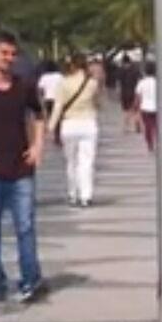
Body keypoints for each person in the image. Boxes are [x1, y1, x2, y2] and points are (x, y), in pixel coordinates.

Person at [0, 31, 47, 302]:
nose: (9, 58)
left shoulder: (23, 85)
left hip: (21, 168)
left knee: (25, 227)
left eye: (13, 54)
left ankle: (30, 279)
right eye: (4, 53)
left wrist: (38, 145)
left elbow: (39, 115)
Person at [49, 53, 101, 208]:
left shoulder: (63, 83)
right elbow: (97, 103)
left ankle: (73, 194)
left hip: (69, 124)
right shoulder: (92, 83)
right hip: (88, 124)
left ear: (71, 65)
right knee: (87, 162)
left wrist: (51, 127)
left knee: (71, 162)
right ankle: (86, 195)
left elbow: (58, 106)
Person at [135, 61, 159, 152]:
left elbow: (138, 96)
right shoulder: (158, 82)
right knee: (157, 126)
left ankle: (150, 144)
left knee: (147, 127)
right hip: (157, 107)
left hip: (145, 107)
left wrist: (136, 107)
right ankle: (158, 142)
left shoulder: (141, 82)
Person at [119, 55, 141, 133]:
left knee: (126, 110)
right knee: (136, 110)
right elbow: (139, 80)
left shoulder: (121, 70)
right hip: (134, 92)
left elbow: (119, 82)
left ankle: (126, 127)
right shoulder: (135, 70)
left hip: (124, 93)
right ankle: (136, 125)